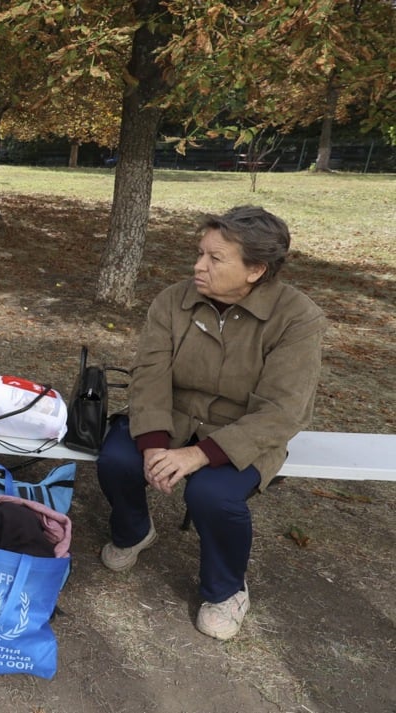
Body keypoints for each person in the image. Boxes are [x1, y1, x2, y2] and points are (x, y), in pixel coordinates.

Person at [96, 205, 327, 640]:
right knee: (117, 460)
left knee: (213, 495)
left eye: (215, 258)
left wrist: (199, 454)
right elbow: (150, 376)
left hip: (243, 432)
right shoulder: (174, 300)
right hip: (172, 418)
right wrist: (153, 446)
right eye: (200, 253)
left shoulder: (297, 318)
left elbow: (283, 410)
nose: (198, 266)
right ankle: (134, 531)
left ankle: (225, 590)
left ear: (256, 270)